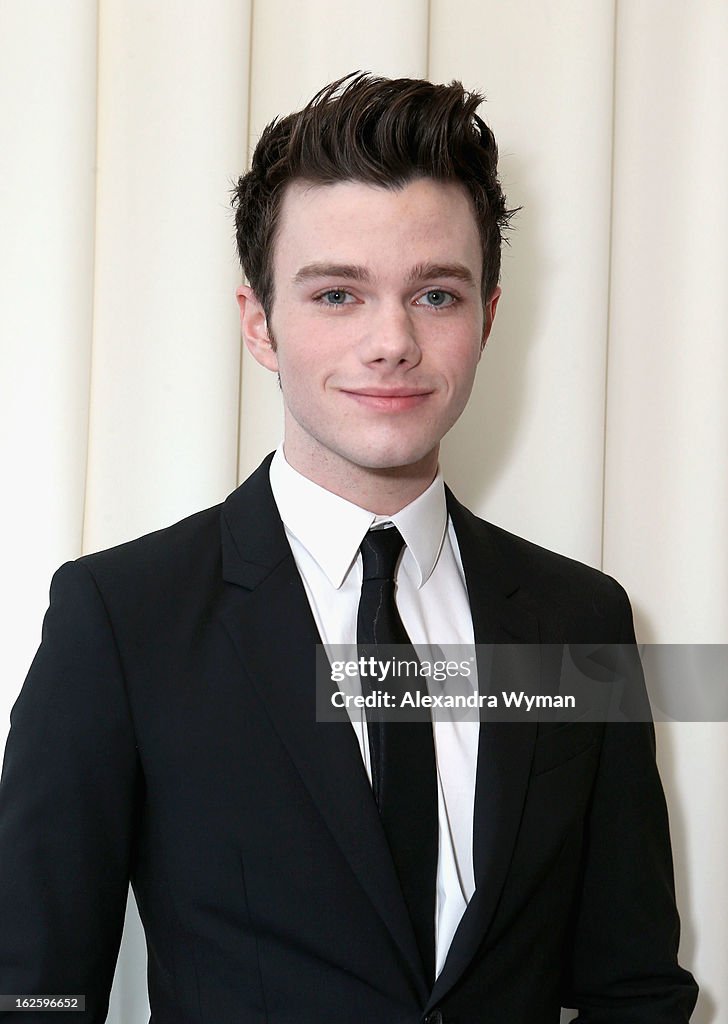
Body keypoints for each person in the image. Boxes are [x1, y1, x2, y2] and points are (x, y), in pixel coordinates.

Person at [0, 72, 697, 1023]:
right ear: (259, 324)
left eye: (437, 295)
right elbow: (33, 990)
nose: (392, 341)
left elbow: (634, 988)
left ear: (488, 317)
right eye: (337, 294)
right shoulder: (123, 619)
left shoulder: (583, 617)